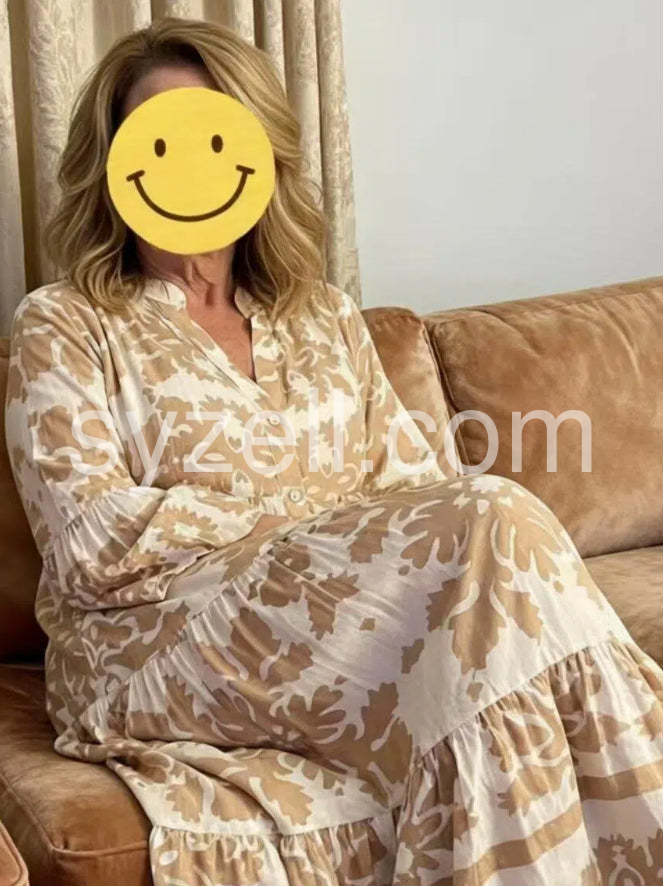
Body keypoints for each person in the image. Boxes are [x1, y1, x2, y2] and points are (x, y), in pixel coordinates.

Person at [5, 17, 662, 887]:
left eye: (213, 140)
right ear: (114, 165)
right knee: (493, 524)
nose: (190, 167)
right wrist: (308, 534)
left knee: (495, 635)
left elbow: (418, 489)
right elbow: (92, 540)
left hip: (342, 629)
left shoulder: (322, 317)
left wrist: (335, 543)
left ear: (260, 157)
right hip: (153, 647)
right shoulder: (64, 323)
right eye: (160, 142)